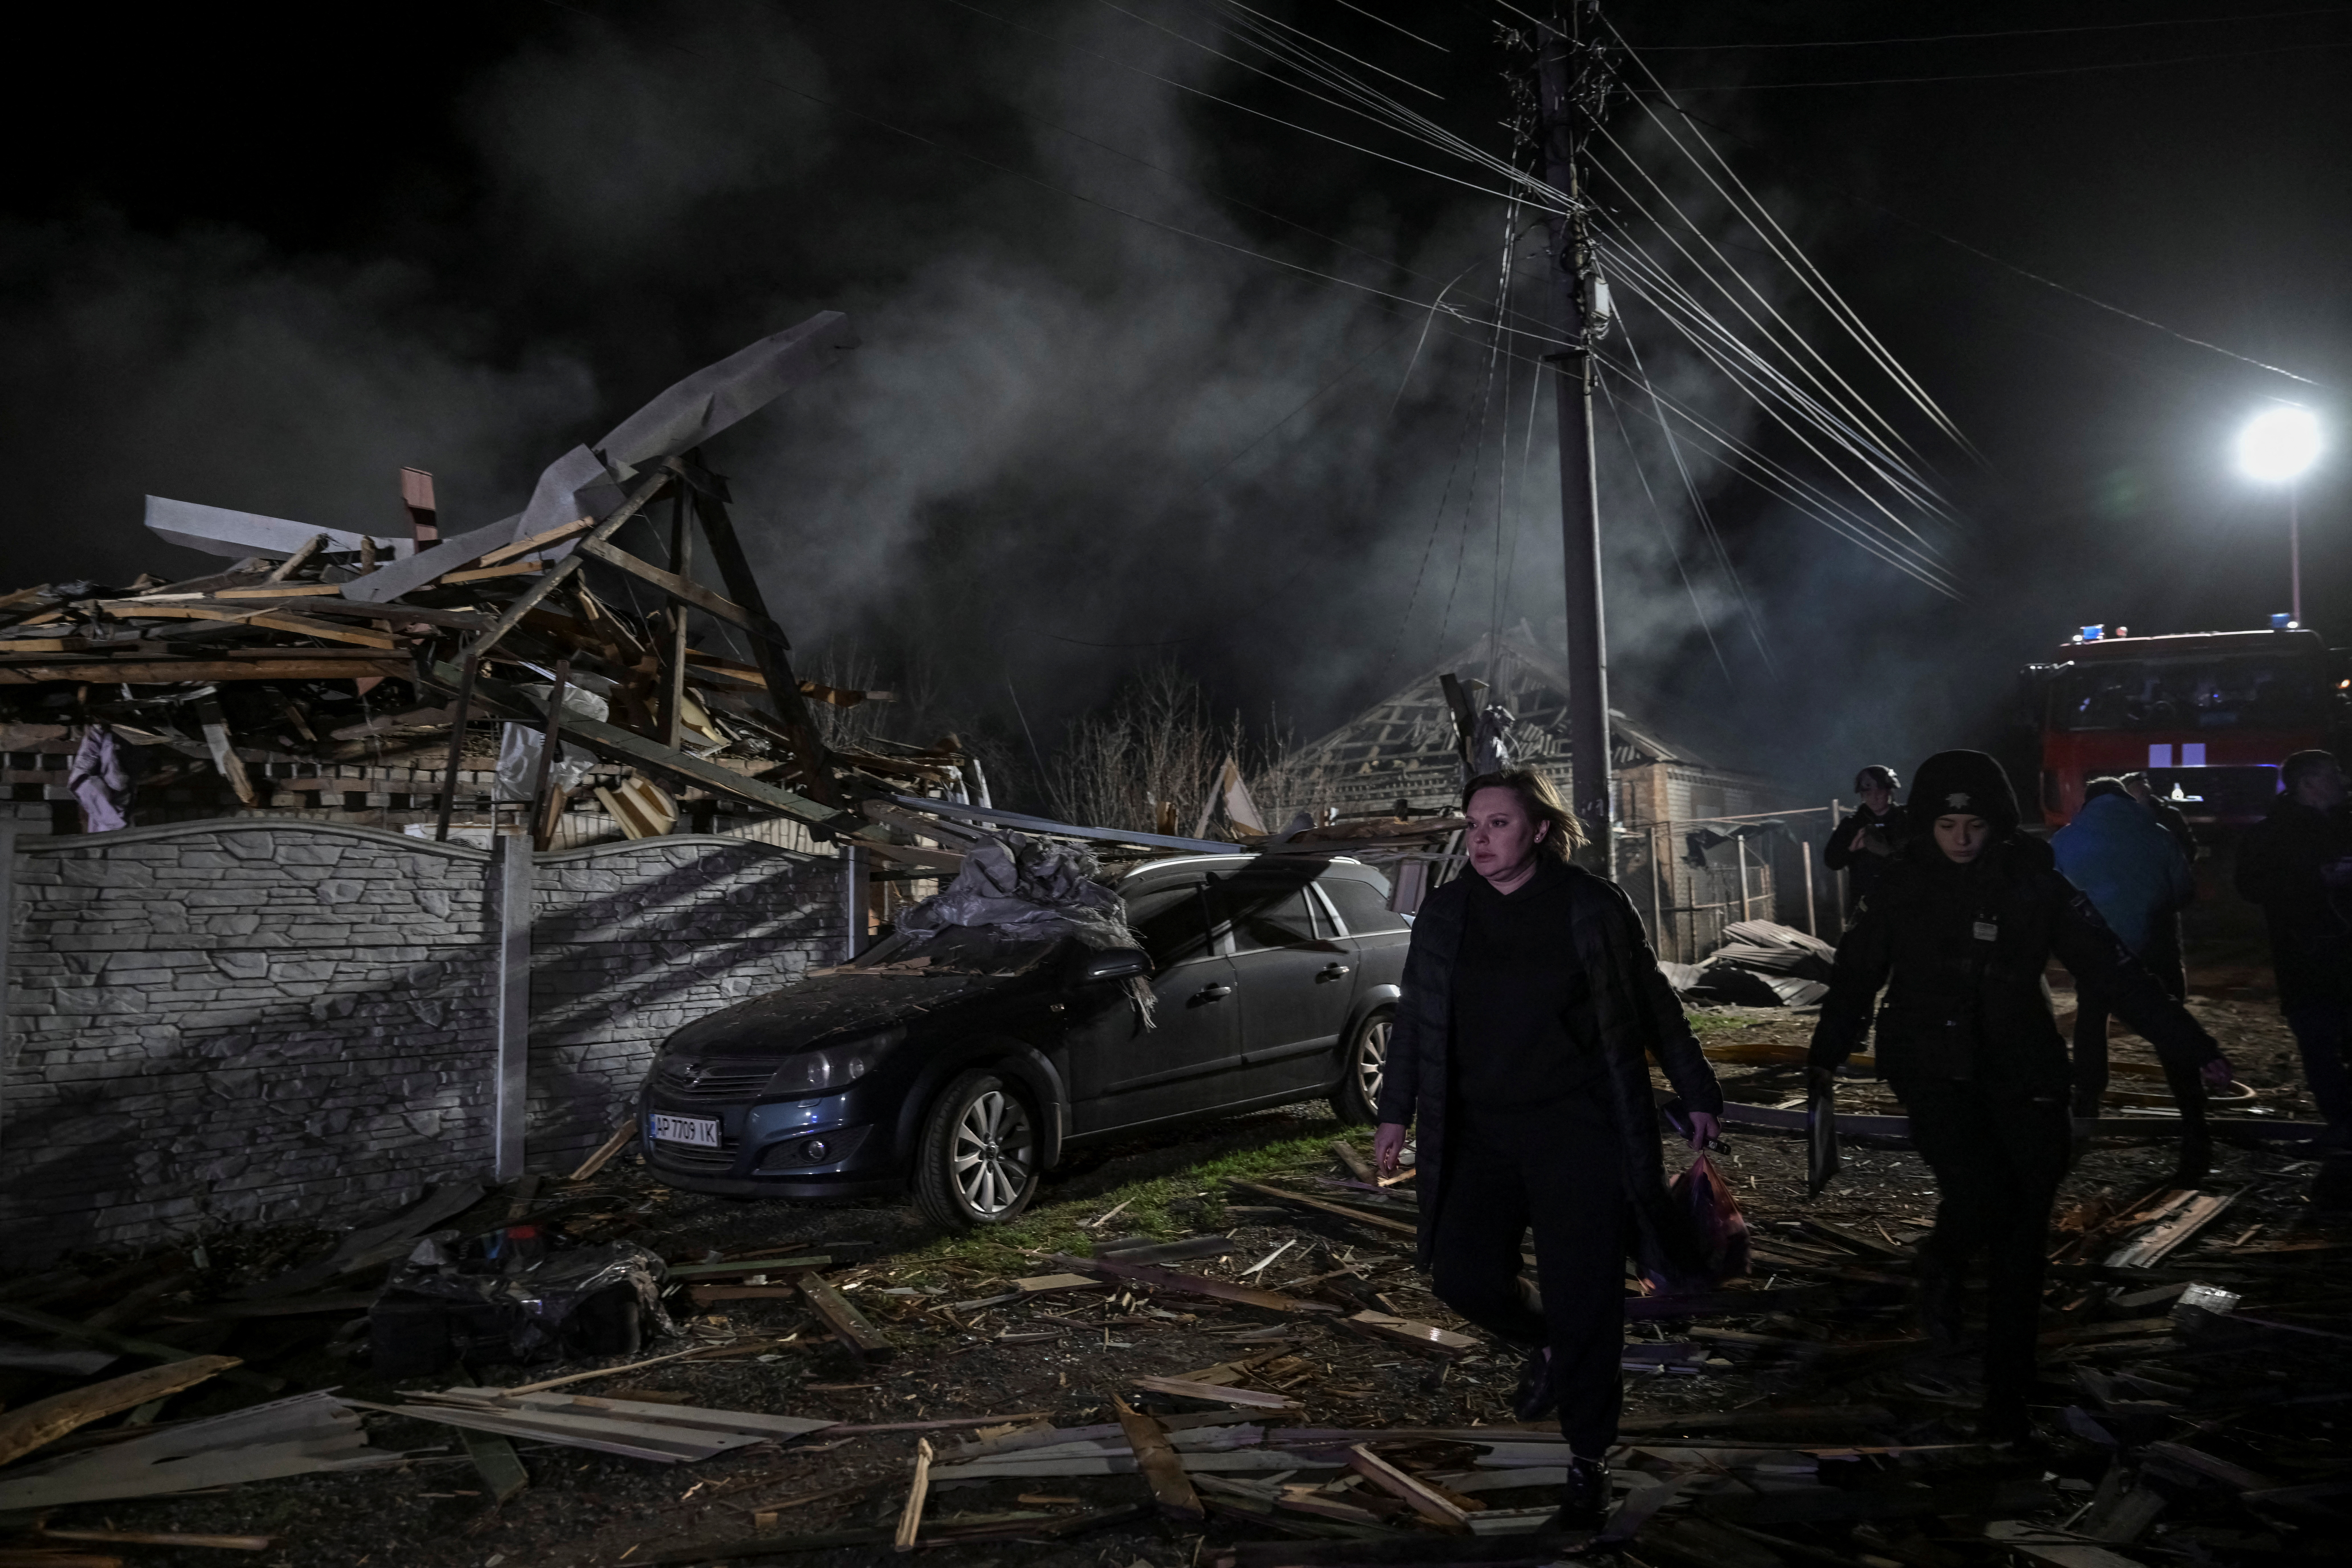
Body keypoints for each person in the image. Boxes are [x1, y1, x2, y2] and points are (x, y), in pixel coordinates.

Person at [1808, 751, 2231, 1442]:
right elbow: (1856, 975)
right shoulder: (1898, 886)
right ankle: (1943, 1260)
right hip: (1929, 1068)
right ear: (1928, 824)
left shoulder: (2034, 883)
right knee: (1981, 1201)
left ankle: (2008, 1386)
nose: (1961, 839)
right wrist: (1824, 1053)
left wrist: (2190, 1044)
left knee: (2025, 1221)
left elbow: (2110, 966)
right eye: (1947, 824)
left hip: (2024, 1069)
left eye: (1974, 823)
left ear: (1996, 823)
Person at [1372, 769, 1722, 1542]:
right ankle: (1547, 1343)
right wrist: (1395, 1114)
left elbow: (1653, 1004)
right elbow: (1421, 1021)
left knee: (1587, 1296)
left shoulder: (1590, 906)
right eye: (1473, 825)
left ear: (1538, 829)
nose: (1480, 838)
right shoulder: (1446, 912)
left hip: (1578, 1132)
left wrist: (1697, 1088)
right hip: (1478, 1134)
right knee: (1462, 1274)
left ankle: (1588, 1461)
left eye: (1498, 823)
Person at [2052, 777, 2204, 1176]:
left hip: (2095, 951)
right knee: (2170, 1028)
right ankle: (2195, 1128)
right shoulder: (2159, 834)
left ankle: (2086, 1105)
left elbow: (2054, 897)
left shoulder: (2066, 840)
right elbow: (2184, 892)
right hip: (2157, 951)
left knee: (2091, 1020)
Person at [2235, 750, 2352, 1150]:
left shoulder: (2344, 823)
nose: (2342, 779)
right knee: (2320, 1044)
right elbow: (2253, 886)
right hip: (2307, 958)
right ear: (2309, 784)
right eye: (2333, 774)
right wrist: (2317, 878)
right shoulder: (2273, 835)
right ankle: (2342, 1124)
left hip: (2339, 956)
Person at [1825, 765, 1908, 912]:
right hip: (1865, 906)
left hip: (1904, 904)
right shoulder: (1852, 825)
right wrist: (1851, 850)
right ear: (1862, 796)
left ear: (1889, 792)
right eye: (1868, 794)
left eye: (1880, 792)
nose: (1874, 797)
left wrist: (1893, 851)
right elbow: (1832, 862)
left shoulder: (1906, 820)